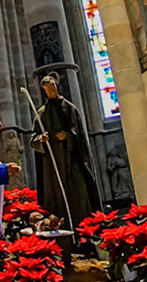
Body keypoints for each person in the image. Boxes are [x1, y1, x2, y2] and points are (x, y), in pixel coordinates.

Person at [33, 74, 100, 227]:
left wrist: (68, 136)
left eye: (53, 88)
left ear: (57, 87)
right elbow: (33, 139)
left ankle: (82, 228)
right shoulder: (41, 113)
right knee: (56, 198)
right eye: (47, 90)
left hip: (71, 159)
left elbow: (80, 137)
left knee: (78, 192)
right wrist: (41, 140)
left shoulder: (70, 108)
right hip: (52, 166)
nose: (51, 92)